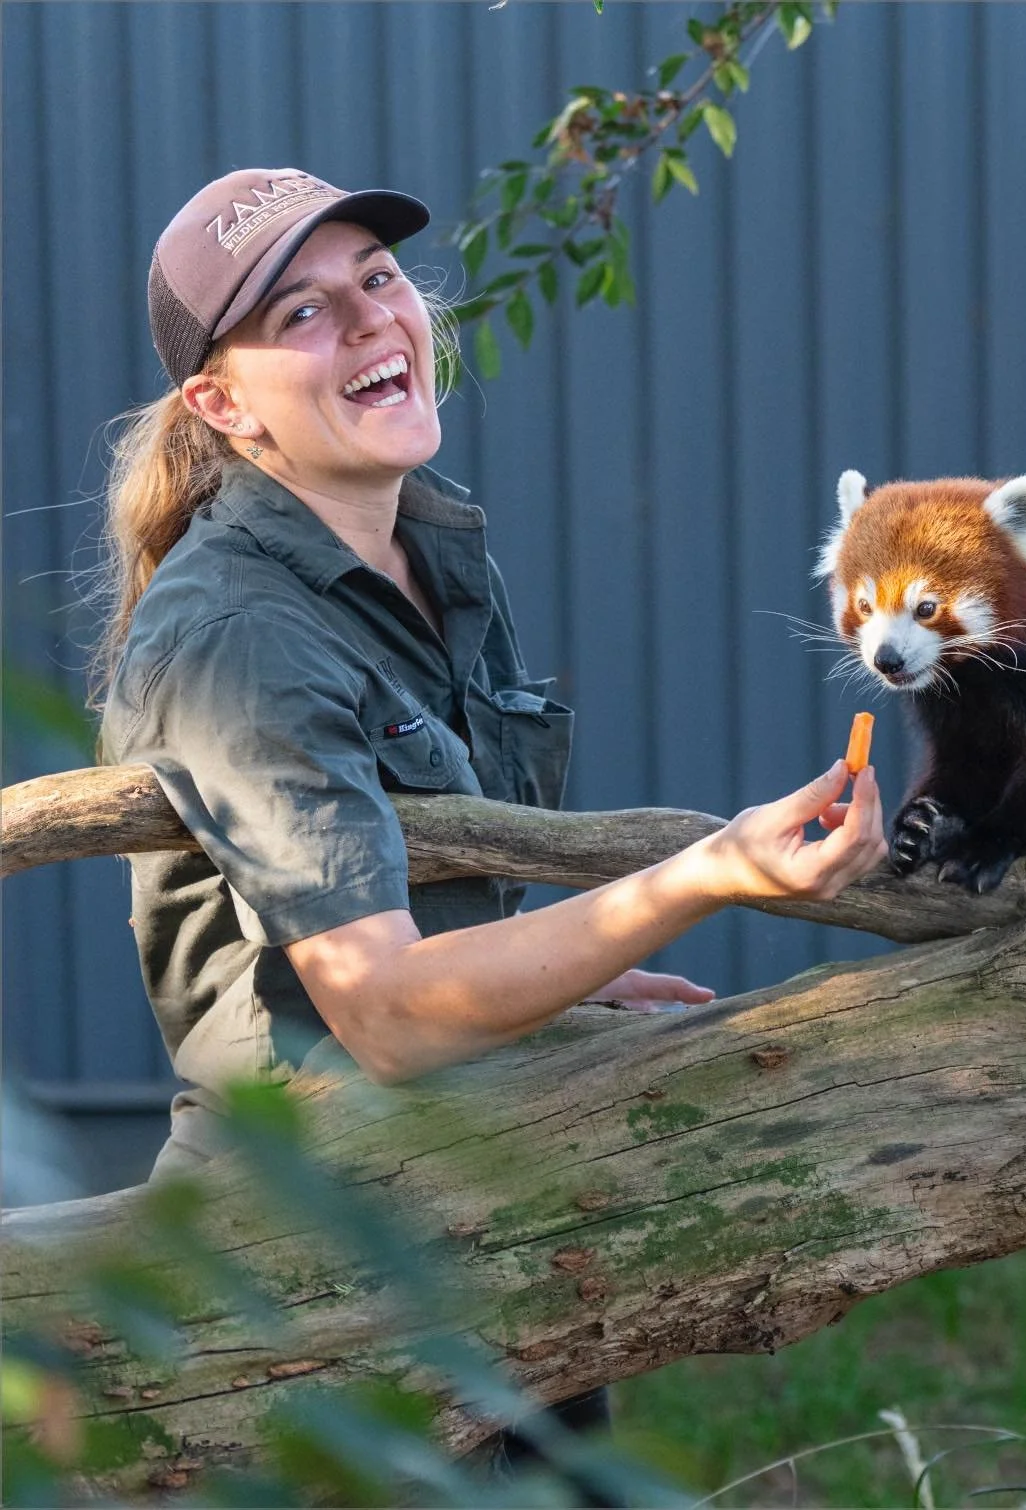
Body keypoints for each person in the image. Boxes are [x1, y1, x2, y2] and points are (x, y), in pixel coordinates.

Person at [96, 168, 886, 1202]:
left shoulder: (431, 554)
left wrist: (557, 990)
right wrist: (705, 873)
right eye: (303, 310)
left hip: (483, 1165)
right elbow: (383, 1011)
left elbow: (438, 937)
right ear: (222, 402)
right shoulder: (238, 634)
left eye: (378, 279)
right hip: (305, 1231)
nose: (370, 320)